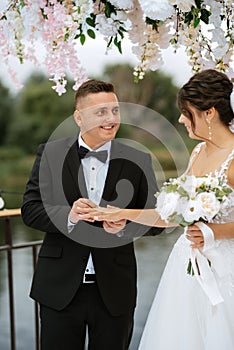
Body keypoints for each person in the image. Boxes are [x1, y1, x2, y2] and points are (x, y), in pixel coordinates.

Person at [79, 70, 234, 349]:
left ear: (209, 113)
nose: (180, 119)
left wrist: (214, 232)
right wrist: (121, 213)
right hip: (186, 270)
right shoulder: (199, 152)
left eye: (186, 113)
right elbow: (171, 215)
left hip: (225, 270)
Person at [21, 79, 163, 350]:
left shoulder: (138, 160)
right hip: (58, 289)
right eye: (101, 112)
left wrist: (126, 224)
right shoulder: (50, 153)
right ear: (79, 117)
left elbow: (156, 219)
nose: (111, 119)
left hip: (114, 291)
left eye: (115, 110)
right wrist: (69, 216)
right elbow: (30, 209)